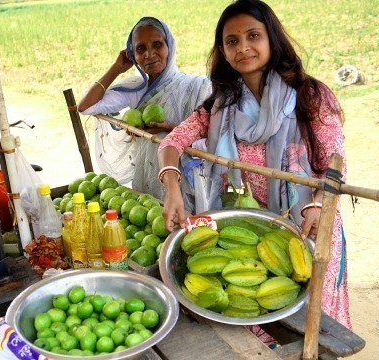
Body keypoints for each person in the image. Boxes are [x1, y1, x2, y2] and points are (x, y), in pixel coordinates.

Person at [158, 0, 351, 332]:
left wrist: (318, 206)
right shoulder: (222, 103)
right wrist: (172, 187)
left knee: (313, 325)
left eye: (253, 36)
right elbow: (171, 142)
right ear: (223, 49)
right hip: (254, 233)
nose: (243, 47)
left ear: (271, 39)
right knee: (260, 314)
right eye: (231, 41)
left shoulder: (310, 96)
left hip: (310, 225)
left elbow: (335, 164)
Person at [78, 16, 210, 199]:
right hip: (147, 176)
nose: (149, 54)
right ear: (133, 55)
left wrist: (173, 129)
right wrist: (116, 68)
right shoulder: (136, 89)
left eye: (157, 44)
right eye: (140, 49)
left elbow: (213, 137)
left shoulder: (195, 87)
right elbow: (85, 107)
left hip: (183, 182)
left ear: (169, 46)